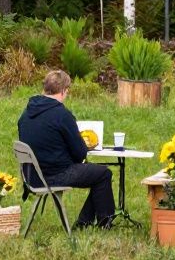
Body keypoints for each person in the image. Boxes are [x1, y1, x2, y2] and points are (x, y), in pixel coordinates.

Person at [17, 69, 114, 229]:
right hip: (54, 175)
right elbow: (80, 153)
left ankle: (84, 223)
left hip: (31, 176)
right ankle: (104, 223)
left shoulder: (26, 113)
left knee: (99, 173)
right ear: (63, 91)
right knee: (103, 174)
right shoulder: (61, 114)